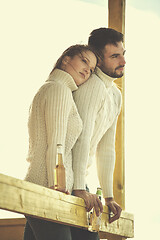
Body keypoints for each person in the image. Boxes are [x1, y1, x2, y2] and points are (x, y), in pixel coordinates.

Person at [23, 44, 98, 240]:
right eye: (84, 61)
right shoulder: (58, 90)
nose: (87, 70)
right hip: (49, 189)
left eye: (91, 69)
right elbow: (56, 144)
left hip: (44, 188)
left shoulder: (54, 88)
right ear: (66, 59)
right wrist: (57, 188)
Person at [72, 28, 126, 235]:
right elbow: (81, 137)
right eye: (114, 56)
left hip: (79, 181)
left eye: (123, 54)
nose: (123, 61)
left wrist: (110, 197)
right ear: (99, 60)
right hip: (63, 181)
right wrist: (78, 188)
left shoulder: (115, 94)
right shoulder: (92, 86)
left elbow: (106, 148)